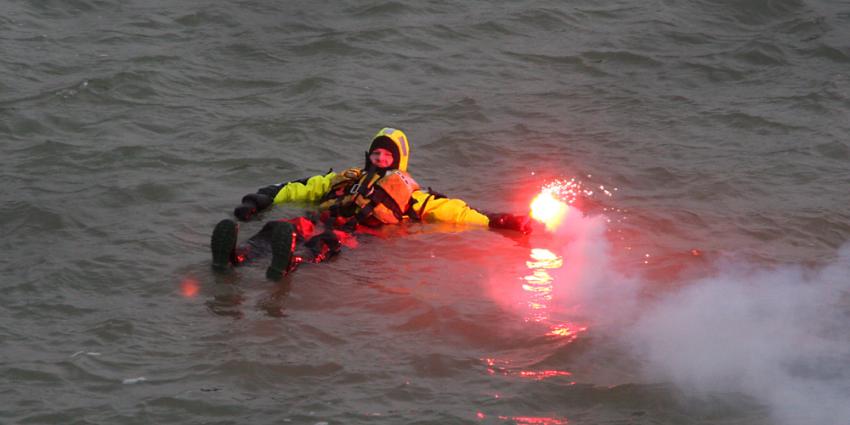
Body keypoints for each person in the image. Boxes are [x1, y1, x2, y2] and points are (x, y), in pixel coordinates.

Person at [211, 127, 531, 280]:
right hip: (324, 217)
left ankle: (289, 263)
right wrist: (261, 199)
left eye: (387, 155)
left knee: (324, 243)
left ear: (398, 161)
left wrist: (495, 220)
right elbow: (302, 187)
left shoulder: (411, 193)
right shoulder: (347, 178)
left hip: (360, 231)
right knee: (277, 227)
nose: (380, 159)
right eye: (376, 154)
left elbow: (451, 211)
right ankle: (239, 255)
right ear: (368, 156)